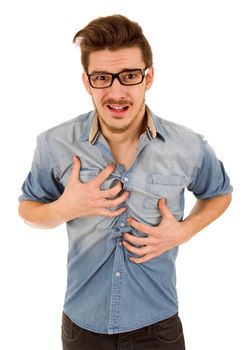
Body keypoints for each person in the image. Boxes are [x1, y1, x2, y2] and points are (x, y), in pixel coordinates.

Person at [18, 14, 232, 350]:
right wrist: (65, 207)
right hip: (81, 328)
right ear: (87, 82)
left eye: (129, 76)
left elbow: (219, 193)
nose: (116, 92)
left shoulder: (188, 145)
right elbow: (28, 209)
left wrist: (185, 230)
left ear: (149, 77)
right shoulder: (54, 144)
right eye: (102, 77)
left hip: (158, 327)